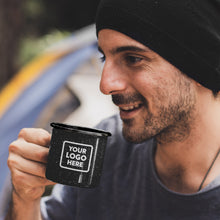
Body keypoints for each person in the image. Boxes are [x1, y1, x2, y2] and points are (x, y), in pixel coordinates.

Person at [5, 0, 220, 219]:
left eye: (133, 58)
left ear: (200, 67)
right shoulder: (109, 150)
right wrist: (25, 200)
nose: (105, 85)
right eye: (104, 58)